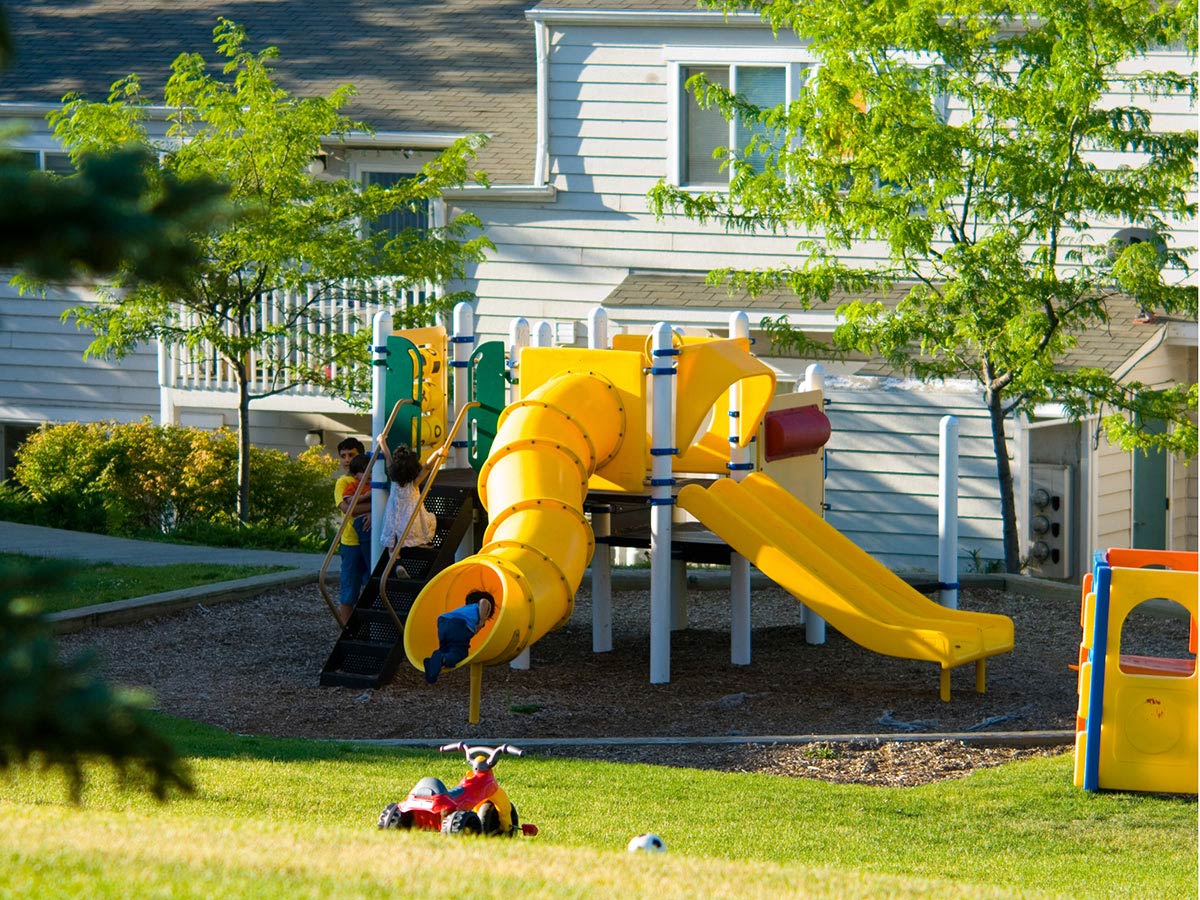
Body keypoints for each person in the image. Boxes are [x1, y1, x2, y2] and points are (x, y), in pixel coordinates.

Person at [333, 437, 370, 626]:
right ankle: (345, 628)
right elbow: (349, 510)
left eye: (351, 455)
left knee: (370, 584)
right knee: (349, 587)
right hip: (351, 542)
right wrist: (374, 508)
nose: (347, 460)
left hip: (370, 540)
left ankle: (365, 625)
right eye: (343, 456)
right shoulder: (343, 482)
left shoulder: (371, 479)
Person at [376, 437, 436, 552]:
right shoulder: (414, 483)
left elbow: (387, 456)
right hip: (411, 521)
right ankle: (420, 542)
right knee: (423, 527)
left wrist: (382, 441)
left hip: (393, 519)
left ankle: (395, 559)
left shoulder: (393, 479)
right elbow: (427, 467)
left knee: (392, 546)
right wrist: (437, 453)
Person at [424, 590, 495, 684]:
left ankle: (432, 665)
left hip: (443, 621)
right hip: (459, 625)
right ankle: (442, 658)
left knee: (446, 649)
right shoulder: (480, 606)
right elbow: (484, 601)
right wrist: (482, 621)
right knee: (460, 653)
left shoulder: (465, 609)